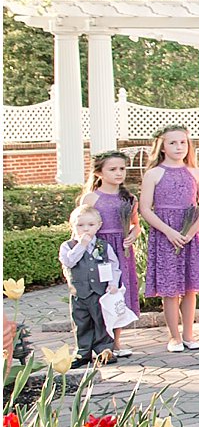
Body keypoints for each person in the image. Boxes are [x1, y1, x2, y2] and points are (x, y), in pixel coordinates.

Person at [140, 125, 199, 352]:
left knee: (190, 287)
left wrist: (190, 232)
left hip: (190, 234)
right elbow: (145, 209)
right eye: (172, 143)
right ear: (162, 147)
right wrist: (169, 232)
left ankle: (189, 334)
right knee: (170, 289)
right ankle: (174, 337)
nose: (179, 147)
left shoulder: (194, 173)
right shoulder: (153, 174)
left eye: (182, 142)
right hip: (166, 236)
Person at [81, 150, 139, 357]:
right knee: (99, 292)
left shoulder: (129, 198)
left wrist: (133, 235)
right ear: (99, 173)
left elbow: (136, 225)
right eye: (112, 169)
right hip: (99, 250)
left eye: (122, 169)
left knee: (117, 292)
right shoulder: (91, 197)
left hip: (122, 251)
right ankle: (99, 342)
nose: (119, 173)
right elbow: (81, 224)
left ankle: (116, 342)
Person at [59, 204, 123, 366]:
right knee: (81, 322)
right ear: (72, 226)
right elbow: (69, 262)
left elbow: (113, 266)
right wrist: (81, 245)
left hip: (100, 292)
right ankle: (83, 352)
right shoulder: (68, 246)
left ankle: (104, 350)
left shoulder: (103, 246)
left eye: (90, 225)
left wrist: (113, 283)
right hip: (79, 293)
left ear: (98, 226)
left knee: (101, 320)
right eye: (80, 225)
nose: (85, 229)